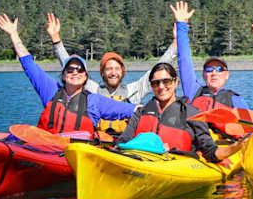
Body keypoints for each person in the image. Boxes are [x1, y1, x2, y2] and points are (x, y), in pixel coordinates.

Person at [0, 14, 136, 135]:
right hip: (48, 149)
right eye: (70, 69)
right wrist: (14, 34)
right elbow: (29, 64)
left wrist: (150, 109)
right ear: (63, 75)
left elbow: (130, 110)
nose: (75, 72)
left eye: (80, 69)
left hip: (78, 154)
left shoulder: (95, 101)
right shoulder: (50, 91)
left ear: (86, 77)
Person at [46, 12, 177, 135]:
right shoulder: (92, 90)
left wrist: (175, 43)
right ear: (102, 73)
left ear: (122, 71)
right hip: (98, 143)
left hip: (123, 143)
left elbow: (157, 70)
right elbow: (71, 68)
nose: (113, 73)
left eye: (117, 69)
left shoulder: (133, 90)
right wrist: (56, 39)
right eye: (108, 69)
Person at [116, 62, 235, 162]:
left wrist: (236, 147)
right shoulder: (141, 113)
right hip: (141, 162)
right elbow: (123, 142)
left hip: (176, 166)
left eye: (166, 81)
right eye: (155, 83)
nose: (161, 87)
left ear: (175, 82)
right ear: (151, 86)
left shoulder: (193, 114)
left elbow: (210, 151)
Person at [171, 1, 250, 112]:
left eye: (219, 69)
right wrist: (181, 25)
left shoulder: (235, 99)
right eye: (209, 70)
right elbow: (184, 60)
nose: (214, 73)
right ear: (203, 75)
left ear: (227, 75)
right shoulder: (194, 92)